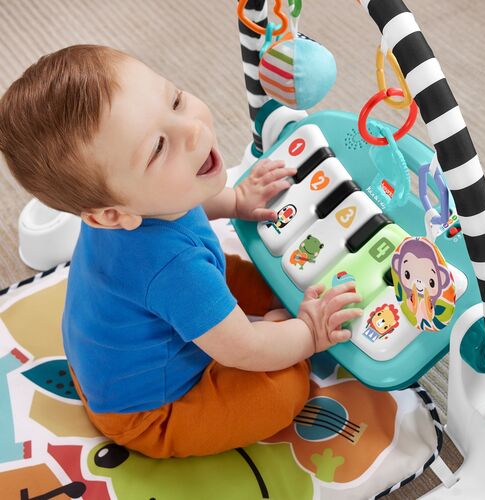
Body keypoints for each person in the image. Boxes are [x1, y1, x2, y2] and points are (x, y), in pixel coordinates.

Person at [0, 45, 362, 458]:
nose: (190, 130)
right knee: (284, 391)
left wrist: (237, 199)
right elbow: (243, 349)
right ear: (111, 215)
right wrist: (306, 336)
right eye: (157, 148)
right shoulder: (172, 268)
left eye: (174, 99)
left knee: (256, 276)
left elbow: (184, 205)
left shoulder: (139, 201)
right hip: (149, 410)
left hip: (120, 341)